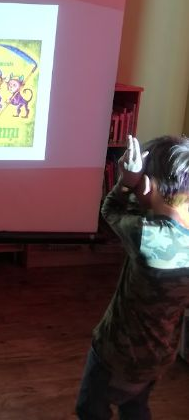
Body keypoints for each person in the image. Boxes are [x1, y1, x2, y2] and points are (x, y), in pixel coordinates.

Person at [76, 134, 189, 420]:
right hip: (161, 354)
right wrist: (142, 187)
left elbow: (110, 209)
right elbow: (155, 213)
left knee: (90, 409)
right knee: (135, 407)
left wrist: (125, 183)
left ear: (146, 184)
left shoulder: (145, 236)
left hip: (117, 353)